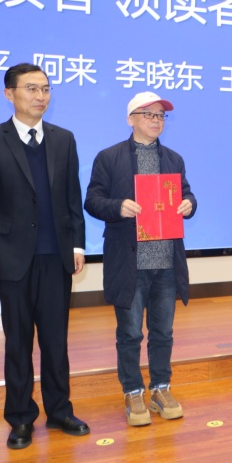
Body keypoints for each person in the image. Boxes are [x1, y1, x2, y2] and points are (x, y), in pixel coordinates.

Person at [0, 63, 88, 449]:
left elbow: (72, 197)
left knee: (56, 341)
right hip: (11, 259)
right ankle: (20, 418)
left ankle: (60, 411)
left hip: (56, 258)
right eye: (32, 88)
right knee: (17, 344)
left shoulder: (64, 139)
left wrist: (77, 244)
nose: (41, 96)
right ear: (10, 94)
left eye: (46, 89)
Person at [84, 92, 196, 426]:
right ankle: (133, 391)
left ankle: (161, 388)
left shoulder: (173, 159)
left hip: (166, 260)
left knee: (163, 331)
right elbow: (92, 200)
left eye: (160, 115)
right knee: (130, 332)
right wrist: (117, 206)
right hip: (129, 261)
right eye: (148, 114)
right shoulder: (109, 157)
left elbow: (187, 194)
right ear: (130, 119)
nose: (156, 121)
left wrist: (189, 204)